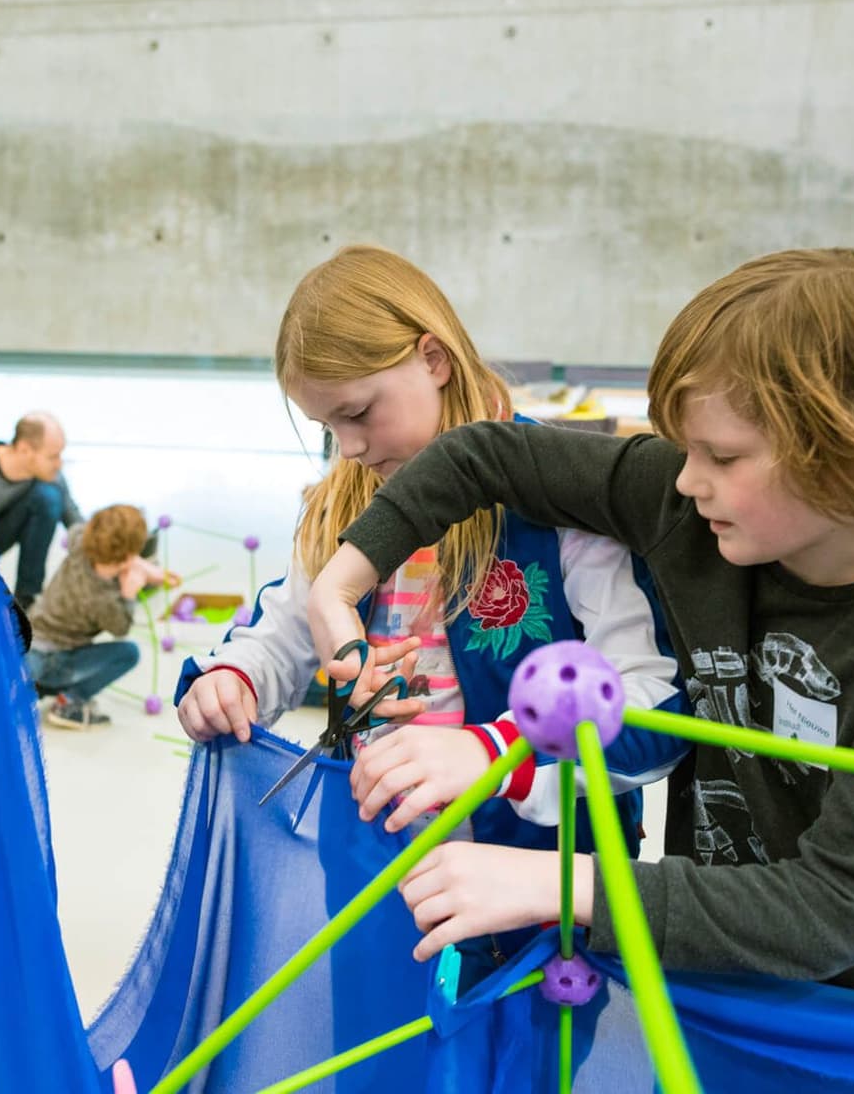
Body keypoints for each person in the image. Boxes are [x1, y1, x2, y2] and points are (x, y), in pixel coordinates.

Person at [305, 248, 854, 1002]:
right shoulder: (687, 506)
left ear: (843, 452)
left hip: (850, 1015)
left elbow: (839, 906)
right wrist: (342, 580)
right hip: (693, 968)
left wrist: (562, 881)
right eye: (685, 448)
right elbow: (483, 456)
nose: (685, 477)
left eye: (721, 454)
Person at [175, 245, 685, 863]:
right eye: (329, 428)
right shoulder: (341, 507)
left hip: (538, 889)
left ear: (433, 358)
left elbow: (655, 703)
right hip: (374, 875)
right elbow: (284, 631)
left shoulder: (561, 498)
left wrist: (501, 756)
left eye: (360, 412)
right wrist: (236, 678)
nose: (352, 447)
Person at [29, 504, 176, 730]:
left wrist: (146, 570)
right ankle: (70, 701)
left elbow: (78, 527)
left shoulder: (80, 541)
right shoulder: (102, 599)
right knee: (129, 653)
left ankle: (39, 683)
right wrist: (128, 594)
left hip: (31, 637)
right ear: (128, 556)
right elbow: (121, 628)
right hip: (56, 659)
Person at [0, 412, 84, 607]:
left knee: (48, 497)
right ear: (24, 449)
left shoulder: (51, 476)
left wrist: (116, 553)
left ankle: (26, 599)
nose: (59, 463)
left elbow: (77, 524)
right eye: (53, 456)